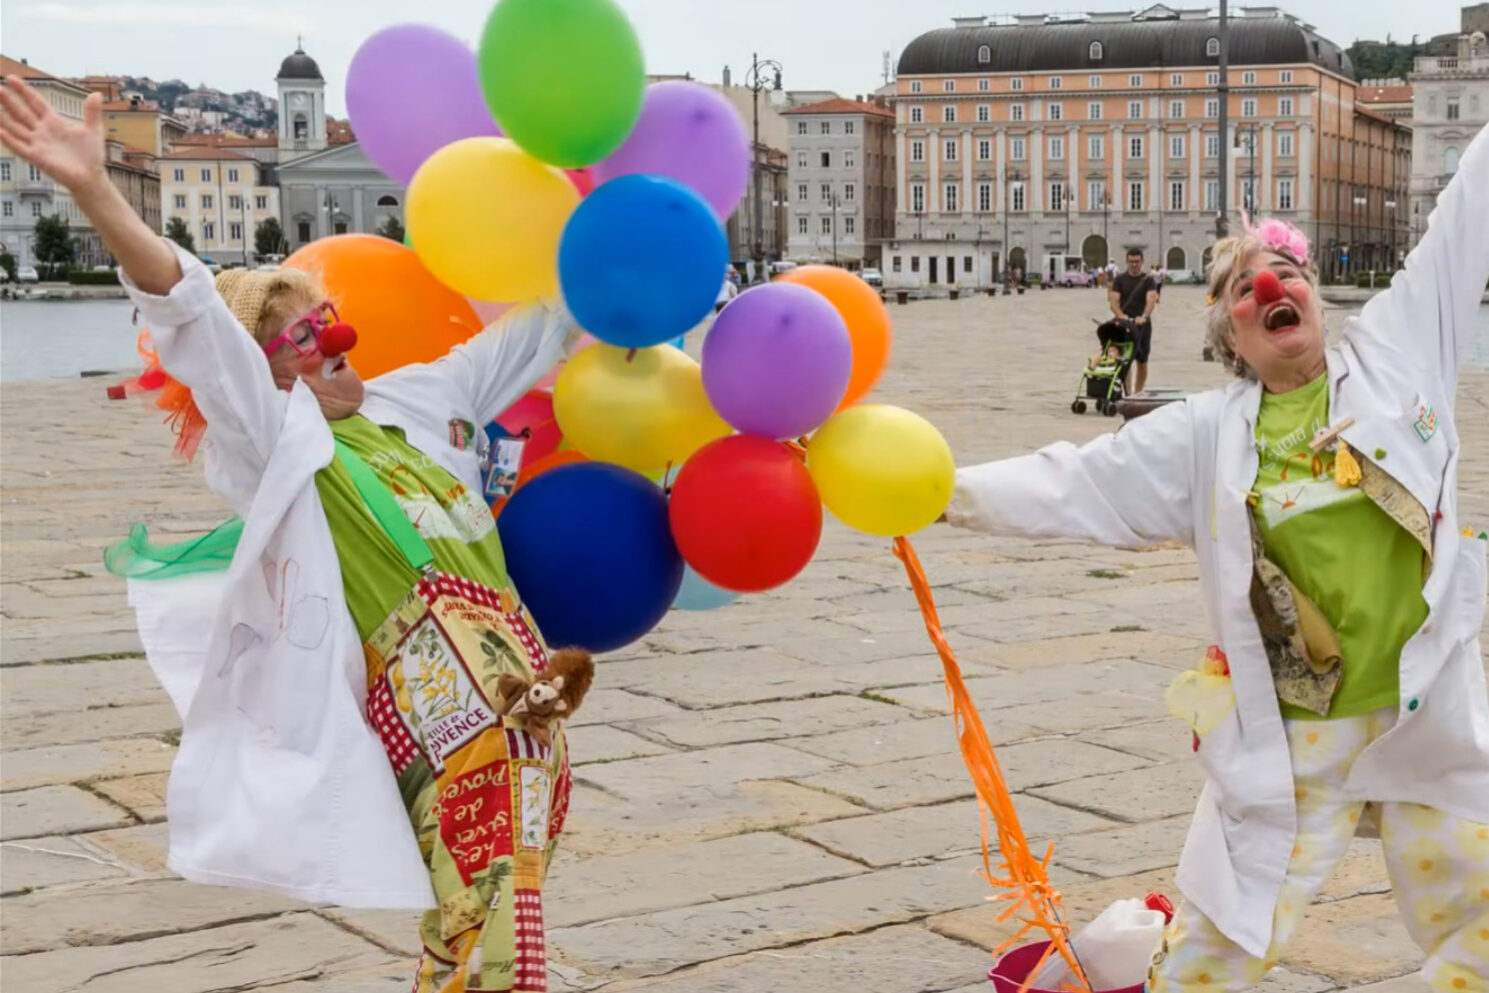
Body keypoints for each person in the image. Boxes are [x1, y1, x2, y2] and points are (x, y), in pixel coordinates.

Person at [2, 76, 588, 993]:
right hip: (431, 682)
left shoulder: (417, 398)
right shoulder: (276, 441)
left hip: (520, 659)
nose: (323, 339)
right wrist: (94, 191)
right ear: (266, 372)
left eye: (319, 320)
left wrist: (610, 232)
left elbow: (541, 330)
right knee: (488, 876)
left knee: (514, 864)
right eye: (293, 339)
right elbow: (189, 314)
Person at [944, 125, 1489, 992]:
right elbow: (1075, 482)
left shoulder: (1396, 356)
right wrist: (936, 487)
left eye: (1285, 276)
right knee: (1217, 952)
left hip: (1427, 713)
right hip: (1302, 727)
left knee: (1484, 926)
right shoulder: (1204, 436)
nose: (1270, 287)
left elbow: (1467, 213)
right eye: (1242, 290)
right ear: (1228, 335)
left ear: (1316, 300)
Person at [1108, 248, 1159, 394]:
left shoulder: (1148, 280)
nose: (1134, 265)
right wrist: (1120, 315)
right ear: (1126, 262)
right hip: (1124, 324)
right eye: (1131, 262)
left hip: (1142, 325)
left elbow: (1151, 300)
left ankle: (1138, 392)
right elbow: (1113, 302)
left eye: (1137, 262)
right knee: (1125, 361)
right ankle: (1128, 394)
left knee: (1142, 361)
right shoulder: (1119, 280)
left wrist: (1144, 316)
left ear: (1142, 262)